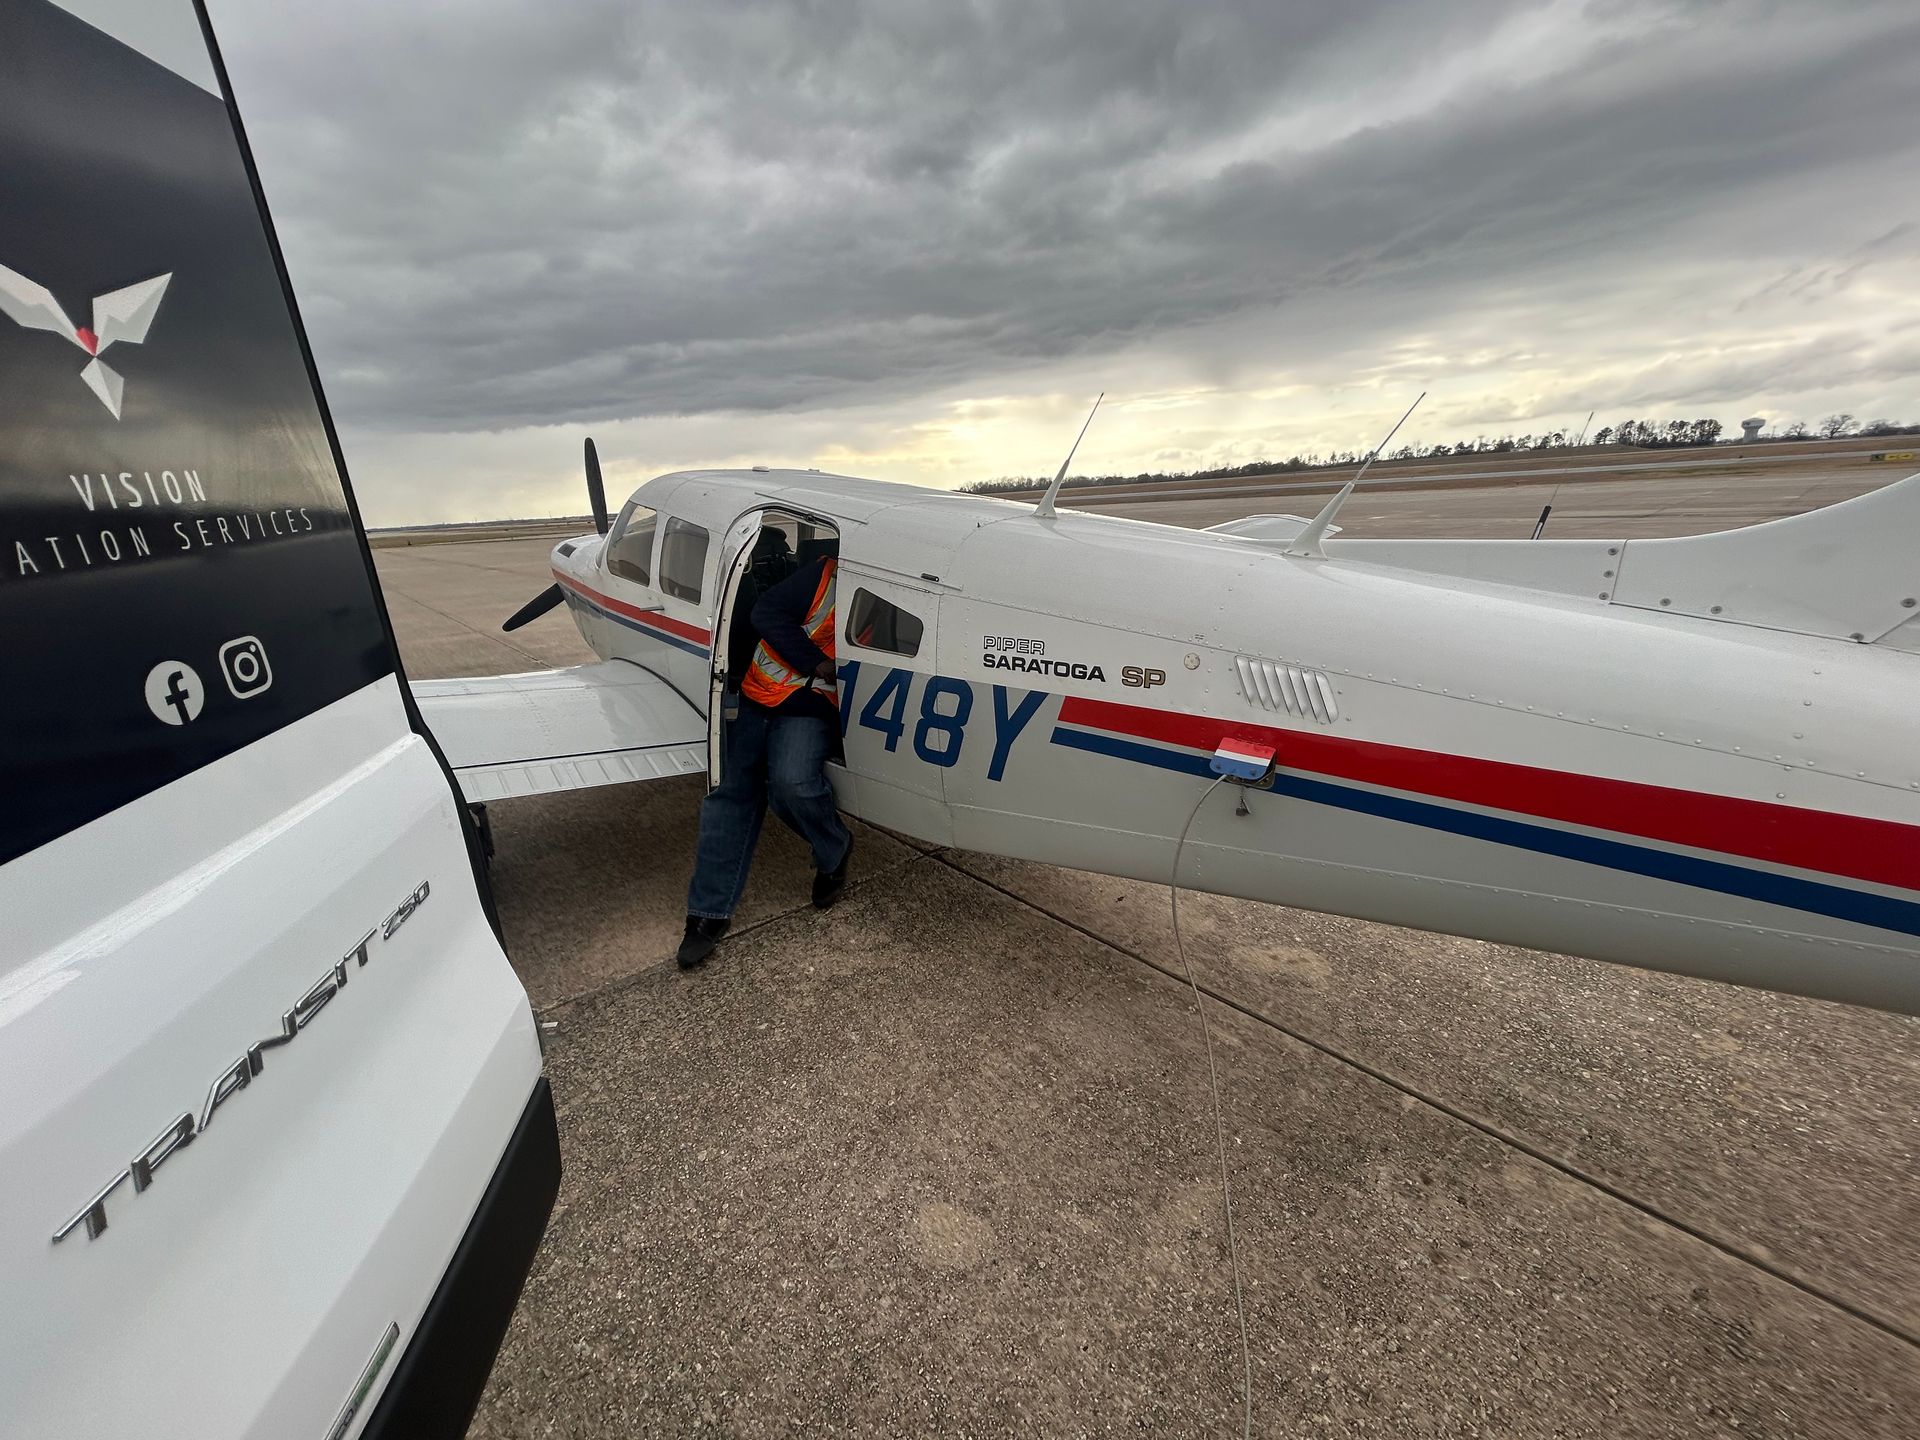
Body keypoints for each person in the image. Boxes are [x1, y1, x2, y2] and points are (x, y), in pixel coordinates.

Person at [676, 541, 854, 968]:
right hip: (761, 695)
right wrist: (815, 662)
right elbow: (766, 612)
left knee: (791, 785)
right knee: (731, 795)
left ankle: (834, 849)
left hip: (812, 708)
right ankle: (706, 915)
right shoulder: (824, 575)